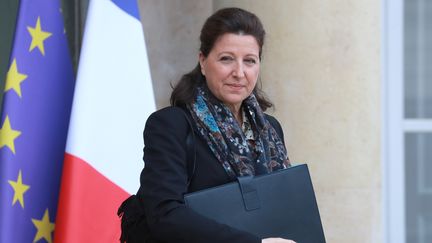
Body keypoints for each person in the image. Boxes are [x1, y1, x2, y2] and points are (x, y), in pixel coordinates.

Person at [121, 7, 296, 243]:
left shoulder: (270, 129)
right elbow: (164, 214)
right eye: (226, 59)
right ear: (203, 61)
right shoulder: (171, 125)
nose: (239, 72)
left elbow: (282, 205)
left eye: (250, 61)